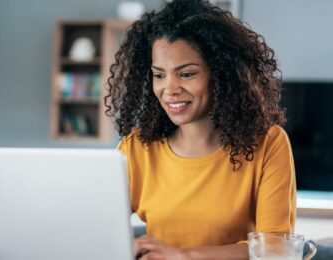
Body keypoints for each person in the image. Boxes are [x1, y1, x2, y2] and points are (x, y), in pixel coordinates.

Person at [105, 0, 296, 259]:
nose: (169, 89)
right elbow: (97, 229)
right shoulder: (136, 148)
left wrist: (183, 256)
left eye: (186, 74)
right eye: (159, 75)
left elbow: (275, 247)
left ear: (220, 74)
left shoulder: (269, 143)